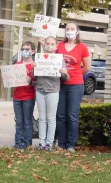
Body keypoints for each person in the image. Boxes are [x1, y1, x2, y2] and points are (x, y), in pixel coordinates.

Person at [54, 23, 91, 152]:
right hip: (61, 84)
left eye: (72, 29)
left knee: (72, 115)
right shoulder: (60, 46)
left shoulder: (82, 47)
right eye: (67, 29)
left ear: (77, 32)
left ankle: (70, 145)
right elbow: (52, 58)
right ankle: (61, 143)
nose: (69, 31)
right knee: (60, 115)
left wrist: (73, 74)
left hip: (75, 85)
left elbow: (87, 67)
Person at [33, 36, 69, 151]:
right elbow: (34, 77)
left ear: (56, 45)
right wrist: (34, 68)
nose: (50, 46)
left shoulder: (59, 59)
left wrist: (64, 73)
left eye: (52, 44)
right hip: (40, 90)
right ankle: (41, 142)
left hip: (53, 91)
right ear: (45, 45)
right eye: (47, 44)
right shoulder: (39, 58)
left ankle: (49, 143)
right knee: (42, 118)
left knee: (51, 118)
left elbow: (66, 78)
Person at [13, 41, 36, 149]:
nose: (24, 51)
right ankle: (18, 143)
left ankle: (27, 144)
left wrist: (30, 81)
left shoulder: (34, 65)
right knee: (19, 121)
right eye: (23, 49)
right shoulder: (17, 65)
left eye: (27, 49)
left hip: (28, 96)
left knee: (27, 121)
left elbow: (38, 82)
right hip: (17, 96)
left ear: (33, 51)